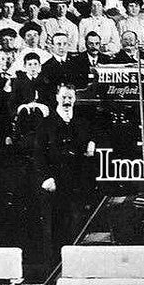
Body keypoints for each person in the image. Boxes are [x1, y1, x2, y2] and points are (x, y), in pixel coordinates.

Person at [34, 84, 94, 264]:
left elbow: (93, 137)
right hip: (55, 184)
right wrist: (46, 177)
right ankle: (56, 269)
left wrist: (92, 143)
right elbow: (38, 155)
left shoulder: (82, 123)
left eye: (70, 97)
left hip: (76, 184)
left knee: (77, 227)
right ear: (57, 98)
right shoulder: (46, 124)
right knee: (55, 228)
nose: (67, 101)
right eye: (64, 97)